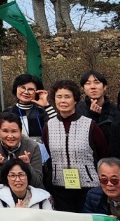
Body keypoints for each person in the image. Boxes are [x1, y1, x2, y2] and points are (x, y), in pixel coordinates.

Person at [43, 79, 107, 212]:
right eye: (59, 97)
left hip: (89, 186)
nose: (63, 101)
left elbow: (103, 152)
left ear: (75, 100)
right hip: (60, 186)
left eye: (67, 96)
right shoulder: (49, 126)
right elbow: (50, 151)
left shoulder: (90, 125)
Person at [0, 112, 44, 189]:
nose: (10, 136)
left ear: (20, 131)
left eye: (14, 131)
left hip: (28, 192)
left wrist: (27, 166)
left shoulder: (32, 147)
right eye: (5, 131)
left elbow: (37, 183)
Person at [10, 73, 49, 142]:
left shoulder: (43, 112)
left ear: (37, 92)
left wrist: (47, 105)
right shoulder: (9, 112)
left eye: (31, 89)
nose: (26, 92)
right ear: (16, 88)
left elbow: (58, 128)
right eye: (22, 88)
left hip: (40, 151)